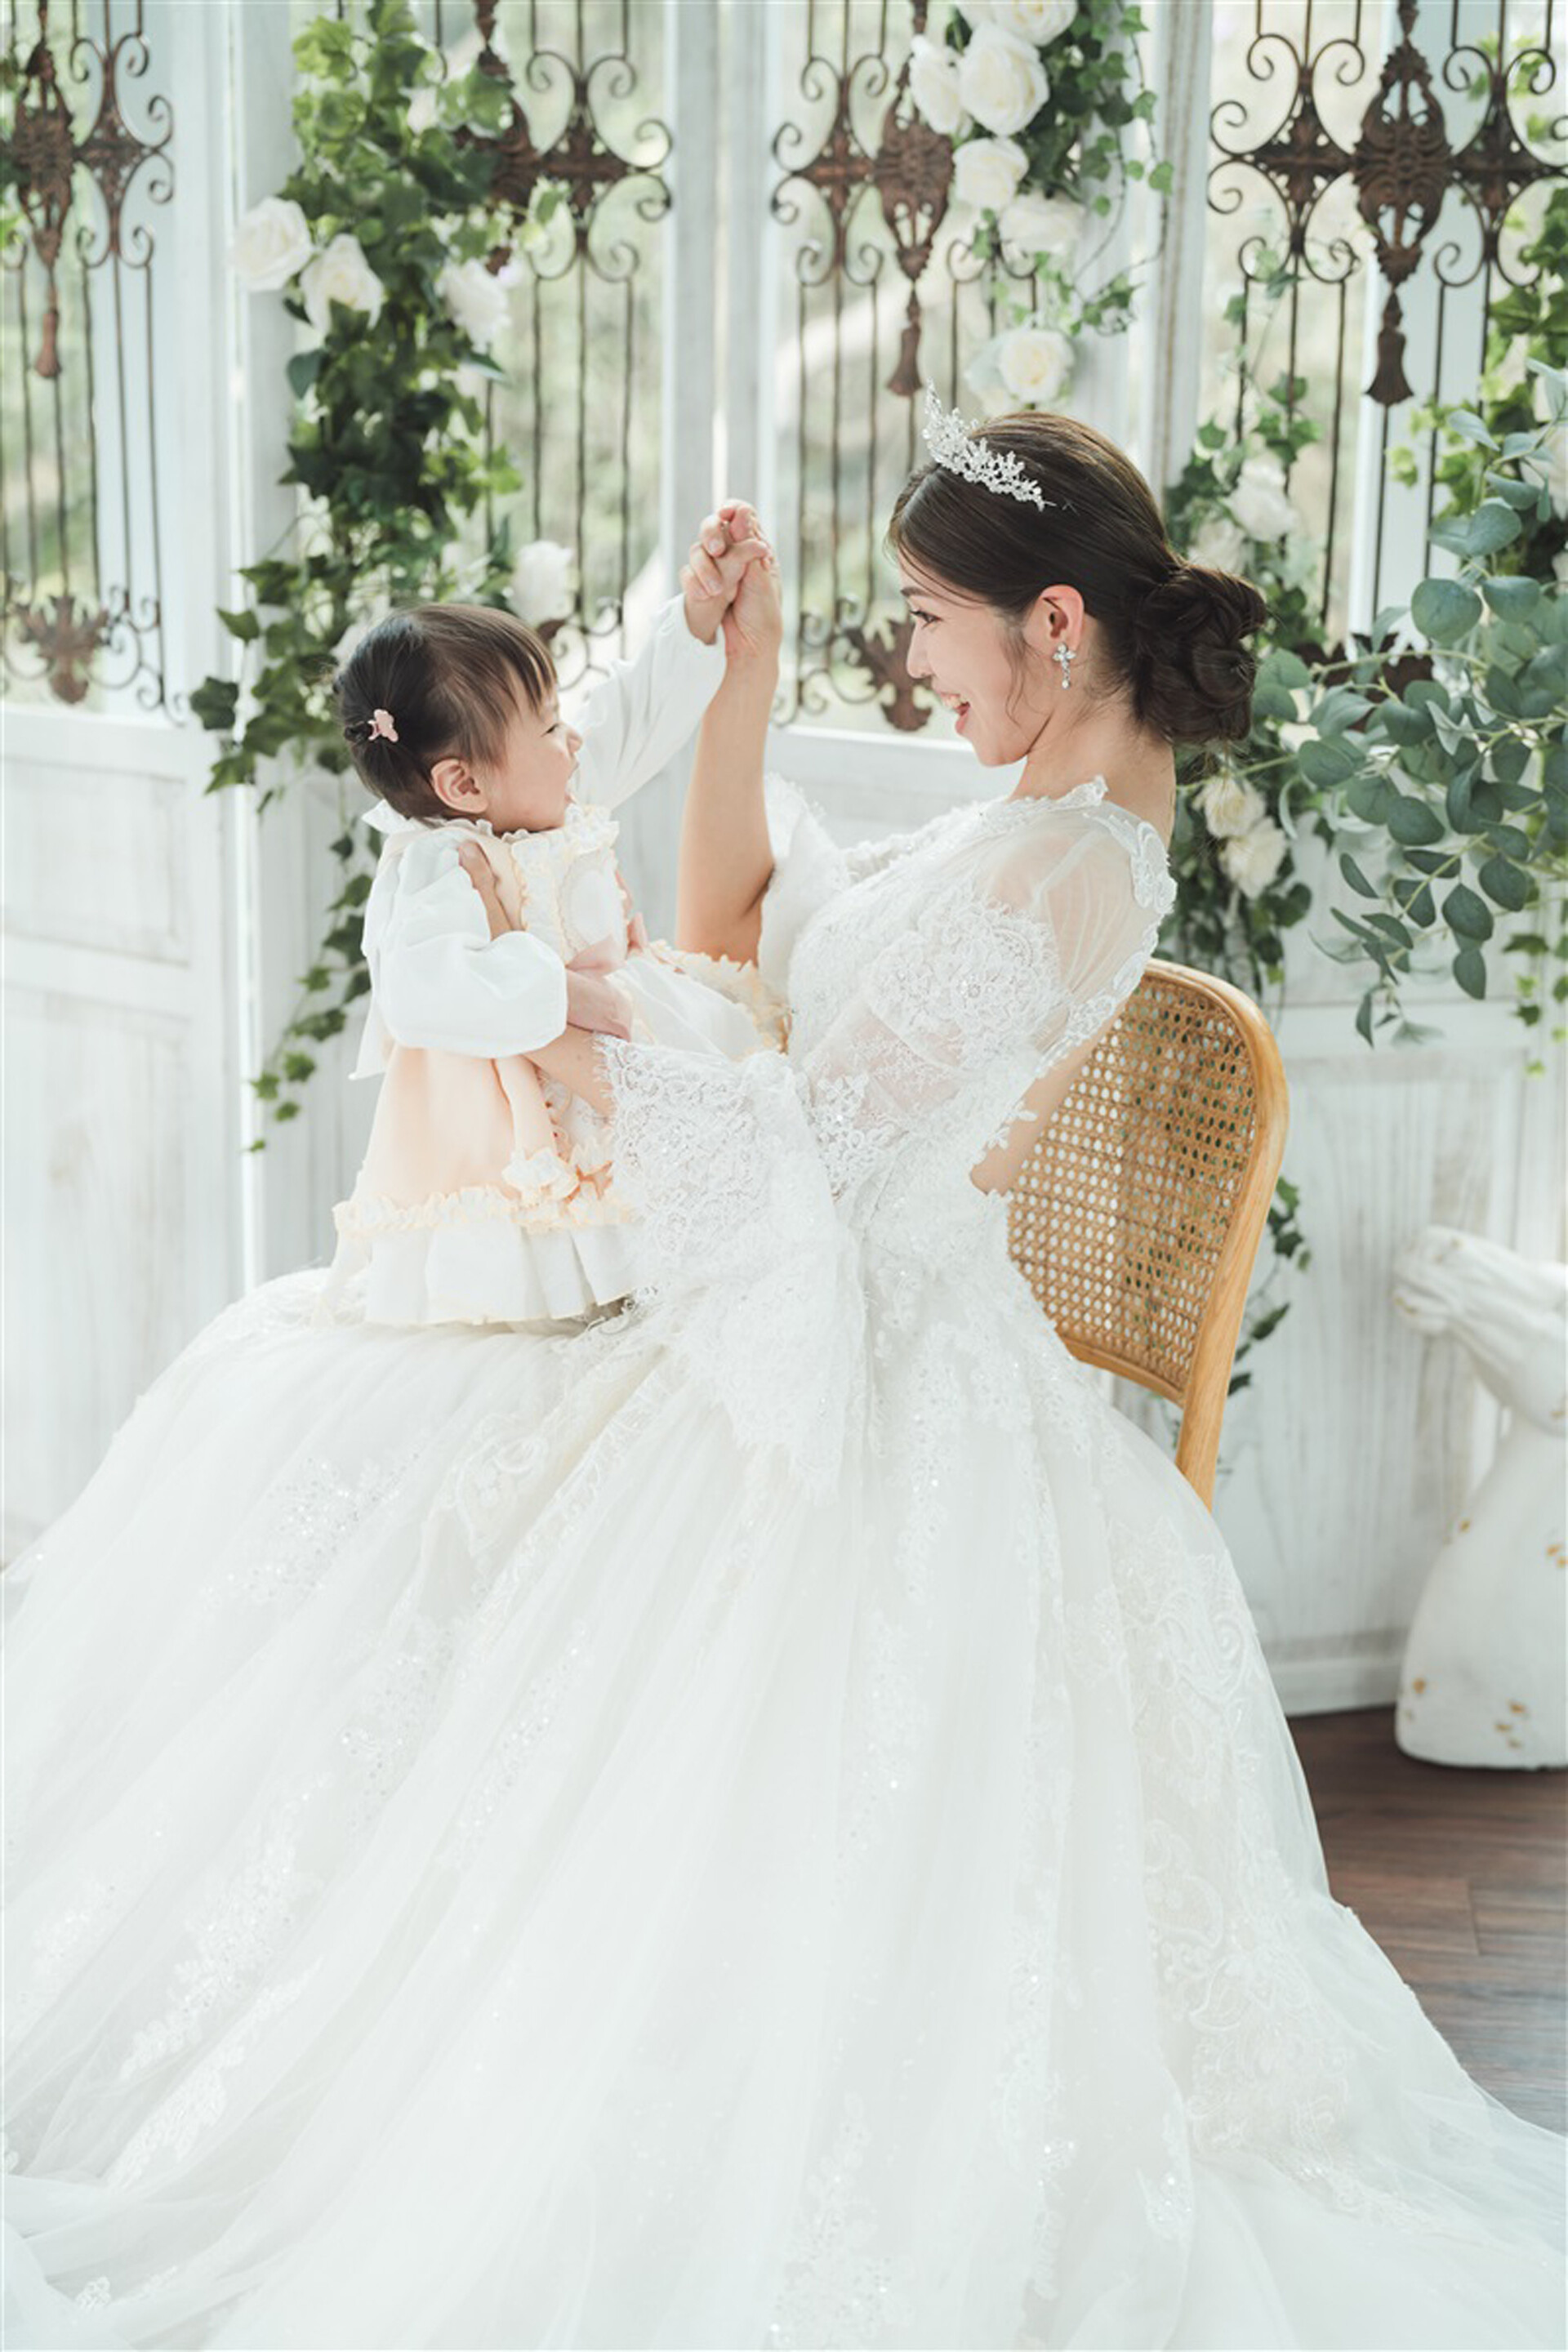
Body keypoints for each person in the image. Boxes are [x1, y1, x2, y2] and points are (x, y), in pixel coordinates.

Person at [4, 400, 1563, 2351]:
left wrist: (547, 1038)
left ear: (1053, 622)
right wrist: (733, 688)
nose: (909, 659)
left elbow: (800, 1161)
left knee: (373, 1469)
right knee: (327, 1418)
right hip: (804, 1303)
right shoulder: (1019, 819)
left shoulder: (1070, 872)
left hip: (871, 1378)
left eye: (928, 620)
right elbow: (740, 942)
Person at [328, 532, 784, 1330]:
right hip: (519, 1117)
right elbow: (418, 989)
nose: (570, 739)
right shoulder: (441, 862)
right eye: (546, 726)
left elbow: (628, 720)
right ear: (462, 782)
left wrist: (697, 618)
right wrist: (561, 992)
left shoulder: (546, 793)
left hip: (616, 1062)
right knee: (554, 1283)